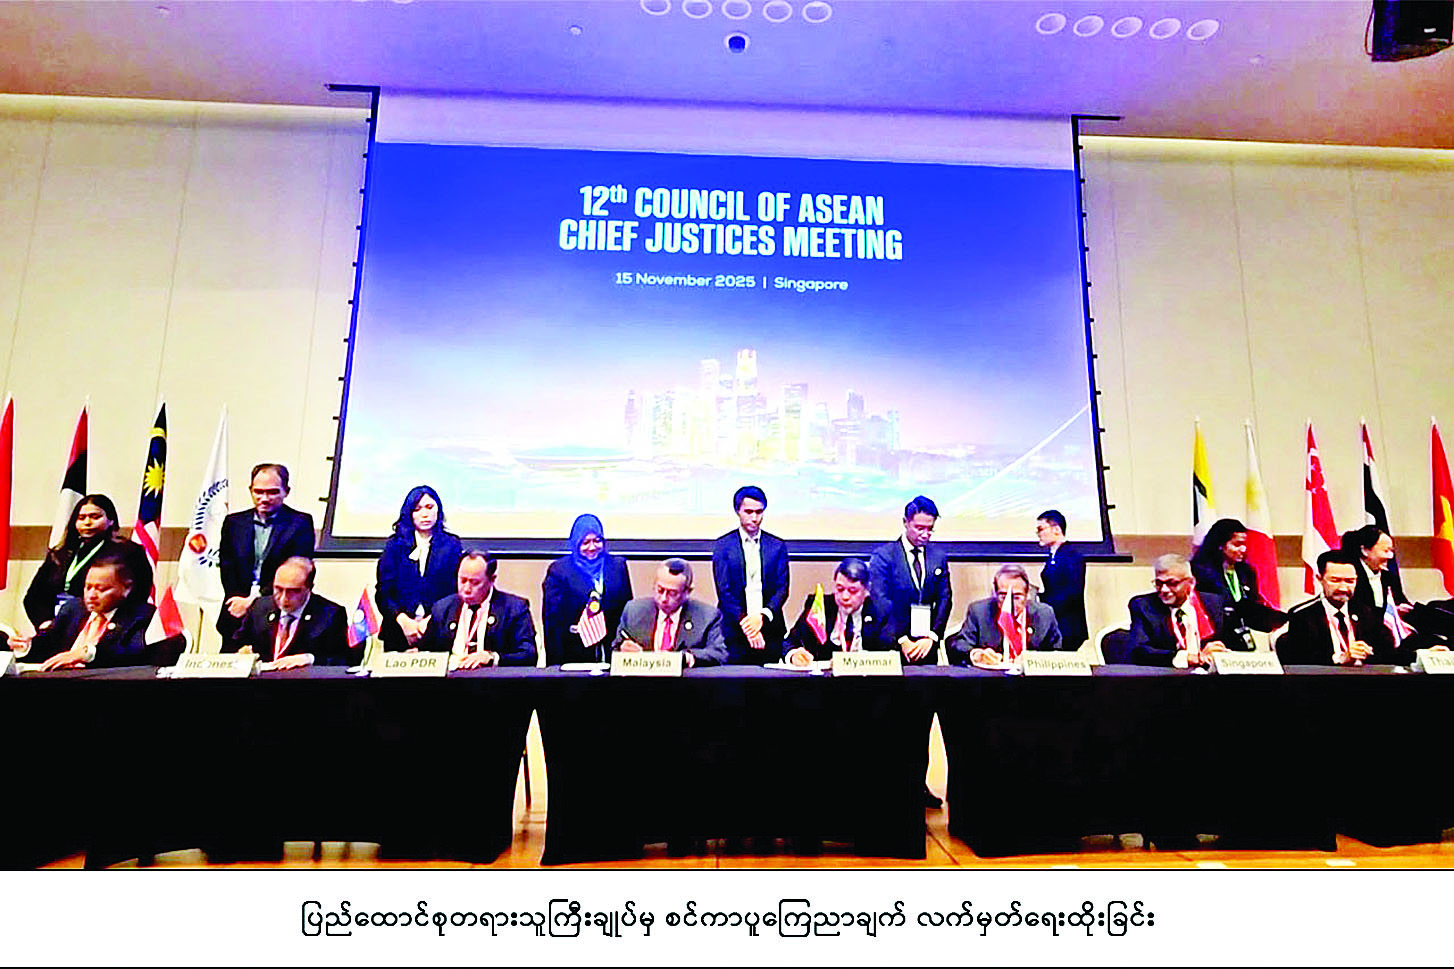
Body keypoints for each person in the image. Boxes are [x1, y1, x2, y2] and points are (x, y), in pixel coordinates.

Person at [22, 494, 153, 630]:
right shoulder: (60, 553)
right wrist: (46, 623)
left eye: (95, 517)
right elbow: (34, 597)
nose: (87, 522)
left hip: (102, 627)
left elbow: (138, 594)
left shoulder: (127, 552)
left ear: (111, 520)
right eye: (81, 518)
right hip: (58, 628)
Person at [217, 463, 315, 639]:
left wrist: (255, 601)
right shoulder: (234, 523)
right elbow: (227, 568)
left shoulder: (299, 523)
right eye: (258, 492)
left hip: (278, 609)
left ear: (286, 491)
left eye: (272, 492)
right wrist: (238, 601)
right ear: (250, 490)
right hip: (236, 610)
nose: (264, 498)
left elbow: (298, 571)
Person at [8, 554, 153, 670]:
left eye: (101, 589)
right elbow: (49, 642)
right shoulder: (73, 609)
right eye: (88, 587)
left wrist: (87, 653)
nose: (91, 595)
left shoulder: (142, 615)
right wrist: (27, 646)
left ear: (126, 588)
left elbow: (134, 653)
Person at [1277, 550, 1418, 666]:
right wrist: (1340, 658)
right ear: (1319, 579)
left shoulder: (1368, 614)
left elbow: (1388, 653)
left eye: (1350, 581)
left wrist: (1422, 656)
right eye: (1335, 580)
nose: (1343, 588)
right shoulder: (1303, 616)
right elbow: (1298, 659)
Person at [375, 485, 464, 651]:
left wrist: (431, 620)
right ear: (409, 513)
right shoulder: (395, 545)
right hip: (398, 630)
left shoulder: (451, 545)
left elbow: (455, 591)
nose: (425, 514)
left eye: (430, 507)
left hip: (438, 629)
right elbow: (383, 592)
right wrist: (404, 621)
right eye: (417, 509)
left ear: (438, 510)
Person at [223, 556, 351, 668]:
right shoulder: (259, 608)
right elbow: (233, 647)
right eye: (278, 589)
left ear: (309, 588)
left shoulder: (330, 615)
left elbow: (343, 661)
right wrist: (240, 654)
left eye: (293, 591)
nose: (283, 598)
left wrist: (310, 659)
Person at [869, 495, 952, 666]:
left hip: (926, 645)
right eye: (919, 528)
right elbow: (881, 601)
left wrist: (932, 636)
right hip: (892, 643)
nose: (925, 534)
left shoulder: (938, 557)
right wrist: (901, 638)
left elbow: (944, 599)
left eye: (930, 529)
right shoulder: (884, 557)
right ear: (905, 522)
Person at [416, 550, 537, 667]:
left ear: (491, 580)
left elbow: (528, 654)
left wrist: (492, 658)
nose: (466, 589)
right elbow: (425, 650)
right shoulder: (442, 609)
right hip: (451, 677)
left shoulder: (514, 609)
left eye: (475, 582)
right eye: (462, 580)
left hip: (492, 678)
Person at [711, 485, 790, 664]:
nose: (754, 518)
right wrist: (749, 626)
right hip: (734, 630)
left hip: (770, 629)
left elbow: (782, 589)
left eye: (759, 512)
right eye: (748, 512)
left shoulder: (777, 546)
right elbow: (724, 592)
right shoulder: (723, 545)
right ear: (738, 511)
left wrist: (761, 617)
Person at [541, 514, 632, 666]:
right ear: (576, 543)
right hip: (574, 652)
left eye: (597, 541)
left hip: (612, 648)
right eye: (585, 542)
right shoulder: (559, 571)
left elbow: (628, 610)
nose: (592, 547)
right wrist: (554, 665)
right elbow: (552, 623)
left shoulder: (618, 566)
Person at [1128, 553, 1244, 667]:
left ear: (1191, 583)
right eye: (1159, 583)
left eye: (1172, 583)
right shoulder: (1144, 606)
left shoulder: (1214, 603)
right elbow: (1139, 651)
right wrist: (1187, 658)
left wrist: (1221, 651)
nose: (1164, 590)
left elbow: (1237, 645)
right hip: (1169, 674)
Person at [611, 559, 727, 667]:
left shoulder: (707, 616)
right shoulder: (634, 610)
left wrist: (686, 658)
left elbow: (719, 654)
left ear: (687, 592)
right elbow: (615, 647)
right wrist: (622, 648)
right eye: (660, 590)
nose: (664, 598)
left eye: (672, 593)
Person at [947, 564, 1063, 667]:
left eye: (1017, 597)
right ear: (995, 594)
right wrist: (977, 654)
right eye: (1003, 596)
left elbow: (1057, 653)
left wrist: (1035, 659)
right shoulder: (979, 612)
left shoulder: (1044, 614)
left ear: (1027, 594)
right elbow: (959, 645)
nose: (1010, 603)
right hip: (993, 679)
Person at [783, 557, 893, 664]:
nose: (845, 597)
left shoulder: (880, 612)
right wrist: (793, 654)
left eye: (853, 591)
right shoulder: (821, 607)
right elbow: (789, 642)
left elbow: (890, 651)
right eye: (840, 589)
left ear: (866, 590)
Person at [1190, 517, 1287, 633]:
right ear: (1220, 545)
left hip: (1242, 632)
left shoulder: (1247, 572)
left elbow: (1252, 607)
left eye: (1245, 544)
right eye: (1237, 544)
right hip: (1215, 632)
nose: (1243, 549)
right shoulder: (1200, 572)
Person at [1034, 509, 1088, 650]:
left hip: (1068, 626)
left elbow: (1072, 592)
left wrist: (1043, 603)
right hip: (1056, 622)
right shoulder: (1053, 555)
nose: (1038, 534)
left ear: (1057, 530)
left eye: (1040, 529)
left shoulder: (1072, 556)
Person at [1342, 524, 1413, 625]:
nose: (1390, 556)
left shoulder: (1389, 577)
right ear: (1365, 550)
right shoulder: (1349, 577)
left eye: (1391, 551)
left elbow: (1400, 602)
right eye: (1385, 551)